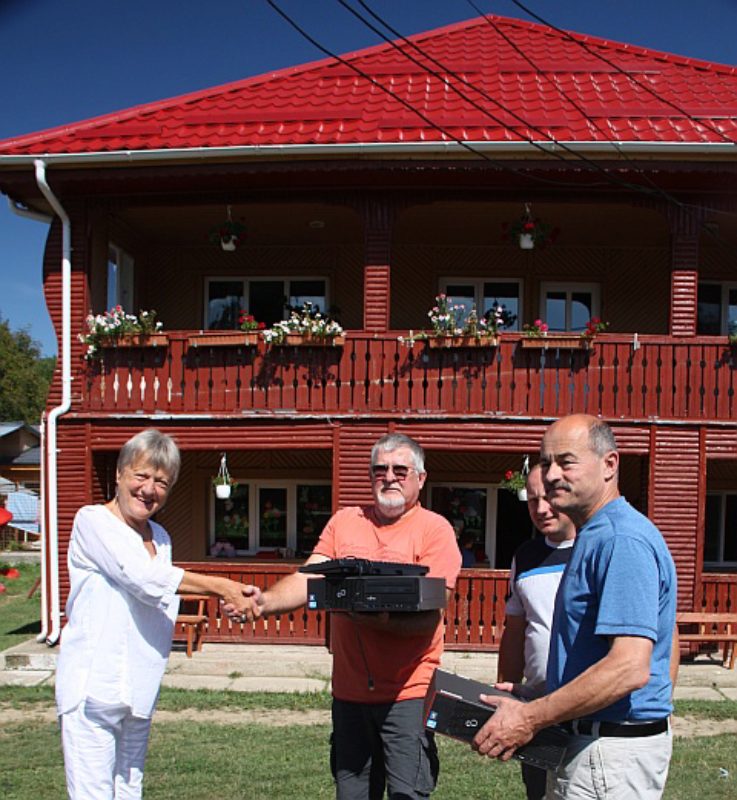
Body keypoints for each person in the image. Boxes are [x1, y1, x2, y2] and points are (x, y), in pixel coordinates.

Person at [231, 433, 461, 800]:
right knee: (351, 794)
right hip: (350, 694)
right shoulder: (345, 522)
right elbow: (310, 576)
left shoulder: (435, 530)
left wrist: (377, 620)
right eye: (379, 469)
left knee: (408, 794)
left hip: (408, 694)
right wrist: (264, 602)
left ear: (421, 477)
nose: (389, 477)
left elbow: (431, 614)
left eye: (400, 470)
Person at [473, 414, 677, 800]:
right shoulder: (596, 534)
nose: (551, 475)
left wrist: (530, 718)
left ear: (609, 464)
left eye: (566, 461)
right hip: (593, 743)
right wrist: (538, 696)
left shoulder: (621, 540)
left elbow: (629, 667)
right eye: (546, 461)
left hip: (608, 753)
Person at [56, 429, 258, 800]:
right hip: (94, 686)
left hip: (140, 686)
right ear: (119, 474)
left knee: (130, 790)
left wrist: (234, 602)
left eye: (161, 482)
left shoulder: (161, 537)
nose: (149, 489)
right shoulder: (93, 521)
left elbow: (162, 595)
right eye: (141, 476)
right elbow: (145, 580)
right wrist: (222, 586)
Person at [496, 463, 576, 800]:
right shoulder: (525, 556)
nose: (541, 509)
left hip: (588, 710)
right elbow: (515, 629)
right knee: (538, 792)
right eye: (532, 500)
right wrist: (504, 698)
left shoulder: (602, 547)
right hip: (536, 707)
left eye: (550, 498)